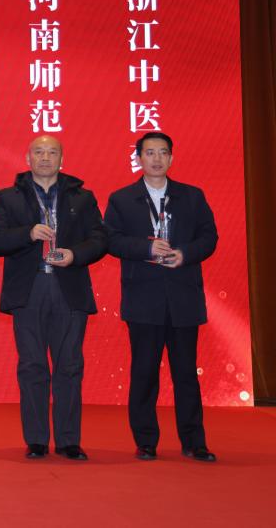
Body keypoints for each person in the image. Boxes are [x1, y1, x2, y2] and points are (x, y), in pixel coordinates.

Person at [0, 135, 107, 461]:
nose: (45, 157)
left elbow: (100, 239)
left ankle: (68, 441)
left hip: (69, 287)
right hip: (30, 288)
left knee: (69, 365)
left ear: (61, 160)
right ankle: (37, 440)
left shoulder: (82, 197)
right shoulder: (7, 198)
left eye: (52, 152)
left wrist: (74, 254)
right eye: (38, 152)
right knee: (32, 365)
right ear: (27, 158)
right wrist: (28, 233)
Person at [104, 131, 219, 462]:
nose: (156, 159)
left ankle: (194, 442)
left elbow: (209, 237)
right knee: (144, 372)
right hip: (143, 298)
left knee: (186, 374)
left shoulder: (192, 196)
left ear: (171, 158)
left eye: (163, 152)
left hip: (183, 297)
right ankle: (146, 441)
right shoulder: (122, 199)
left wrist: (185, 254)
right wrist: (146, 248)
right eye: (150, 152)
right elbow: (110, 240)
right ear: (138, 158)